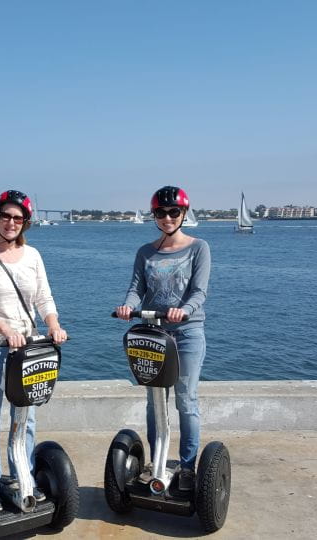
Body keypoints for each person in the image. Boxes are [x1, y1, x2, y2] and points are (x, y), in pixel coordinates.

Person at [0, 189, 68, 512]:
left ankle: (22, 477)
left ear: (25, 223)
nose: (11, 222)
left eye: (18, 218)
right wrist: (7, 330)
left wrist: (53, 324)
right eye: (5, 216)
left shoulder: (33, 256)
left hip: (29, 350)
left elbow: (44, 299)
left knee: (26, 420)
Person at [114, 185, 211, 491]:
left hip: (187, 332)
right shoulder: (145, 251)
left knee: (186, 399)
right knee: (155, 401)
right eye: (161, 212)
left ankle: (186, 466)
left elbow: (199, 291)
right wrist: (129, 306)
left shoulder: (199, 248)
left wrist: (184, 310)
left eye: (174, 212)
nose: (168, 217)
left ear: (184, 213)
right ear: (153, 215)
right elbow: (136, 287)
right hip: (154, 332)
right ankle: (157, 462)